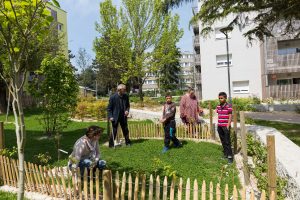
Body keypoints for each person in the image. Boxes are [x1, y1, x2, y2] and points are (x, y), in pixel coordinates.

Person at [216, 92, 234, 163]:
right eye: (219, 98)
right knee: (223, 141)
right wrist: (218, 125)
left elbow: (230, 116)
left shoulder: (228, 106)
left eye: (222, 98)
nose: (220, 99)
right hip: (219, 126)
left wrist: (228, 125)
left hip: (225, 127)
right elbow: (219, 115)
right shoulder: (218, 106)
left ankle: (230, 157)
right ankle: (225, 154)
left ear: (225, 98)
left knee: (227, 141)